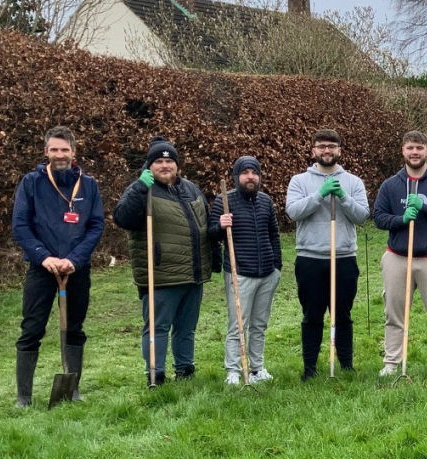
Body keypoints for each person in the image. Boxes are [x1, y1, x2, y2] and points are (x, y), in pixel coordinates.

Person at [11, 125, 105, 406]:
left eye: (65, 149)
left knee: (75, 328)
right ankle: (23, 397)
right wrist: (44, 256)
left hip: (76, 269)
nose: (60, 154)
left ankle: (72, 389)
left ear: (73, 152)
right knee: (31, 329)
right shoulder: (31, 183)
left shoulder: (88, 185)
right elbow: (20, 225)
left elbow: (96, 225)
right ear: (46, 152)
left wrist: (74, 259)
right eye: (54, 149)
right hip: (42, 269)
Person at [113, 136, 215, 386]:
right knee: (158, 327)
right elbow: (122, 218)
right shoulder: (142, 189)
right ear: (150, 166)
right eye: (158, 161)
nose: (164, 166)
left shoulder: (191, 188)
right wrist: (139, 188)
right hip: (160, 274)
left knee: (186, 327)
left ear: (177, 165)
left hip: (192, 273)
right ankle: (155, 373)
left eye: (169, 161)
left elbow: (205, 224)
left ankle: (185, 369)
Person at [372, 131, 427, 376]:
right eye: (410, 147)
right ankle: (391, 362)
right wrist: (401, 219)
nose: (415, 152)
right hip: (397, 258)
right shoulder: (391, 185)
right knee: (394, 313)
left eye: (419, 148)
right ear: (403, 150)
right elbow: (378, 218)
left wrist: (426, 208)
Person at [285, 129, 370, 380]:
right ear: (313, 150)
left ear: (339, 151)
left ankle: (346, 365)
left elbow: (362, 216)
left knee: (342, 313)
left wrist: (342, 197)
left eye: (331, 146)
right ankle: (309, 368)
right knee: (312, 314)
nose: (326, 151)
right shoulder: (299, 181)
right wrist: (319, 195)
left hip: (343, 257)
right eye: (321, 146)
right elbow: (294, 212)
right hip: (311, 258)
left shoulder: (353, 182)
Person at [209, 156, 282, 385]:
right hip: (240, 272)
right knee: (238, 324)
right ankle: (233, 369)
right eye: (245, 172)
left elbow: (274, 234)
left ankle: (257, 368)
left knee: (259, 324)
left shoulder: (265, 201)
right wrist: (220, 225)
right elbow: (210, 234)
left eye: (254, 172)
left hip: (267, 273)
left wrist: (277, 267)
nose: (250, 177)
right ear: (237, 176)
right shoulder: (225, 201)